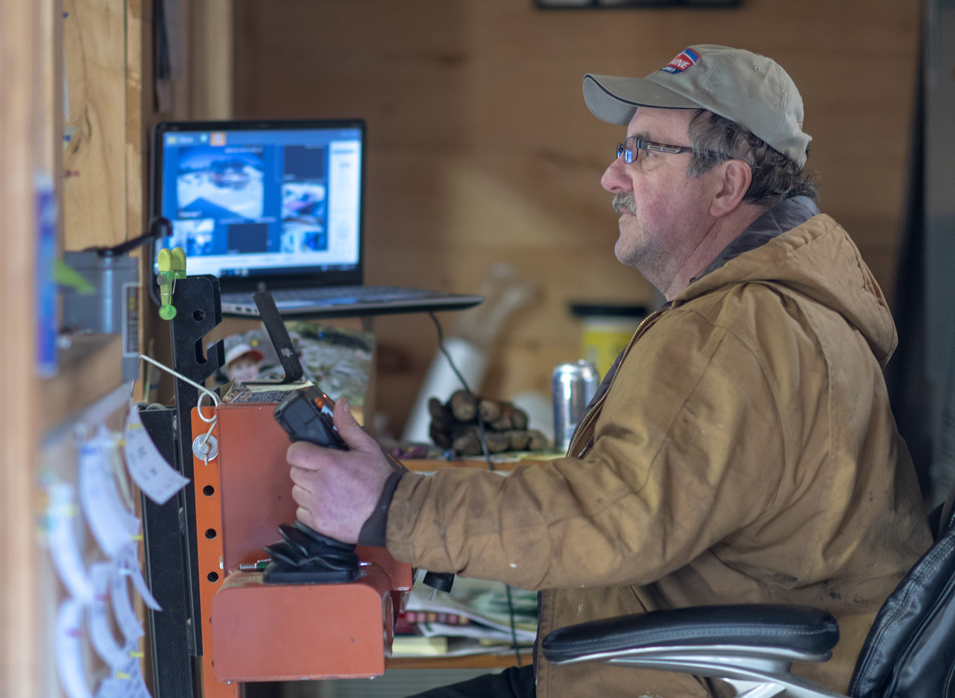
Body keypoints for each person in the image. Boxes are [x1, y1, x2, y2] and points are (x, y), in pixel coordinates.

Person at [285, 45, 931, 697]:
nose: (610, 178)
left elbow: (615, 513)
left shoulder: (736, 328)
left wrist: (390, 506)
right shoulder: (773, 312)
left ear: (726, 185)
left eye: (642, 151)